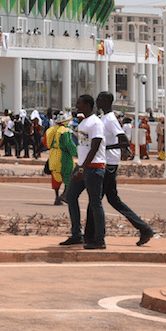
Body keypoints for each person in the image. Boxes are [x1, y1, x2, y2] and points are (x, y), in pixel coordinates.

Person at [97, 92, 154, 246]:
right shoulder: (104, 118)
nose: (97, 101)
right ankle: (144, 228)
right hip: (108, 161)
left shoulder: (110, 119)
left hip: (109, 163)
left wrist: (104, 147)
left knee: (96, 201)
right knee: (113, 200)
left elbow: (124, 142)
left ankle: (93, 236)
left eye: (99, 99)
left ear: (107, 101)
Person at [61, 94, 105, 249]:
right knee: (70, 196)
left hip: (93, 168)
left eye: (79, 103)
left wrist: (82, 168)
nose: (76, 105)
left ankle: (99, 239)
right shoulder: (83, 122)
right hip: (81, 166)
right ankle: (76, 235)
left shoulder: (95, 123)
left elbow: (95, 146)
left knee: (95, 203)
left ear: (87, 105)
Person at [43, 111, 77, 205]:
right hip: (64, 156)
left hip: (53, 155)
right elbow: (68, 144)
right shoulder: (65, 131)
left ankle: (57, 197)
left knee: (55, 177)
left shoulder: (50, 130)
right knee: (69, 176)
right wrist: (75, 152)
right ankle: (65, 194)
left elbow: (45, 142)